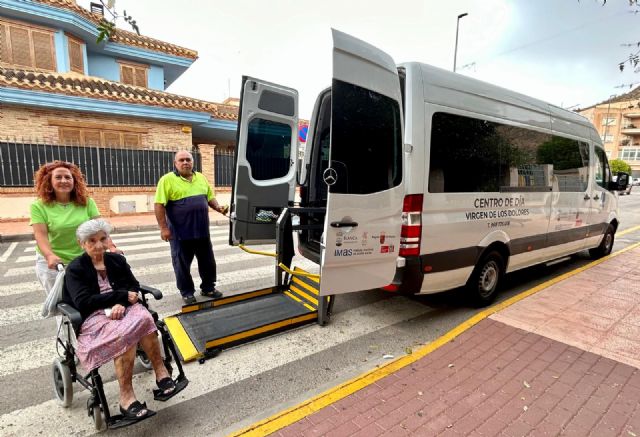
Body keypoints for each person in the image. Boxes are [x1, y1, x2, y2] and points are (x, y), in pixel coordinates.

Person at [63, 219, 176, 422]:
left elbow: (133, 286)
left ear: (108, 239)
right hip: (94, 316)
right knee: (124, 335)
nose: (98, 245)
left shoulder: (117, 261)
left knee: (143, 317)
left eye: (103, 239)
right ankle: (126, 398)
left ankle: (161, 372)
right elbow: (83, 301)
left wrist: (122, 303)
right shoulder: (75, 269)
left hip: (124, 308)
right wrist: (120, 297)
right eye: (92, 241)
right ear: (82, 243)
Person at [30, 161, 118, 296]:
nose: (64, 181)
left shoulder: (86, 202)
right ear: (49, 181)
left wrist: (111, 247)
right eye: (58, 177)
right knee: (61, 300)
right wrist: (49, 255)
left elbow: (101, 228)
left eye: (68, 177)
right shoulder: (39, 206)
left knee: (86, 295)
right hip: (54, 261)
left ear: (74, 180)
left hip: (83, 258)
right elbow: (40, 234)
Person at [154, 150, 227, 305]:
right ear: (175, 163)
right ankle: (187, 292)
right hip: (180, 234)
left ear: (193, 162)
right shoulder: (167, 180)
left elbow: (209, 197)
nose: (185, 162)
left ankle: (208, 288)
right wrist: (163, 228)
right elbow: (159, 204)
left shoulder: (200, 177)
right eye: (181, 160)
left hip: (202, 231)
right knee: (181, 265)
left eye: (188, 159)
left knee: (208, 262)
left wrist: (218, 208)